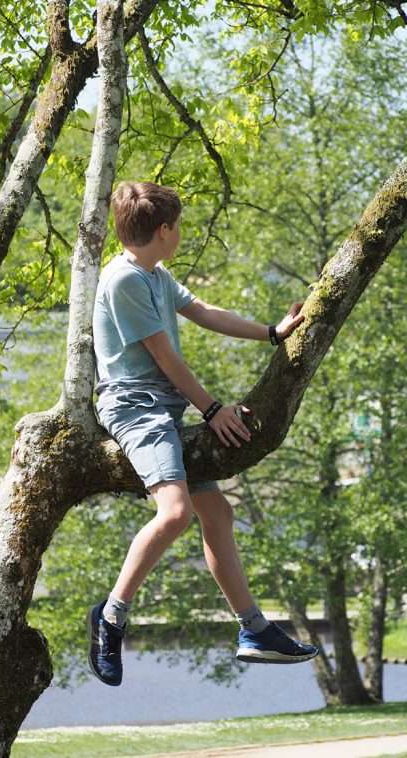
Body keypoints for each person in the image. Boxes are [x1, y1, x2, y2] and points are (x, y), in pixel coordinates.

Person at [87, 181, 319, 687]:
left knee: (218, 511)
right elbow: (164, 356)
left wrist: (272, 333)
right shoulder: (122, 280)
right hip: (135, 408)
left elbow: (204, 313)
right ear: (164, 230)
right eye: (179, 226)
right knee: (175, 513)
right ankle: (110, 618)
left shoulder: (155, 272)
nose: (181, 234)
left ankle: (253, 629)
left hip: (163, 409)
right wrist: (212, 408)